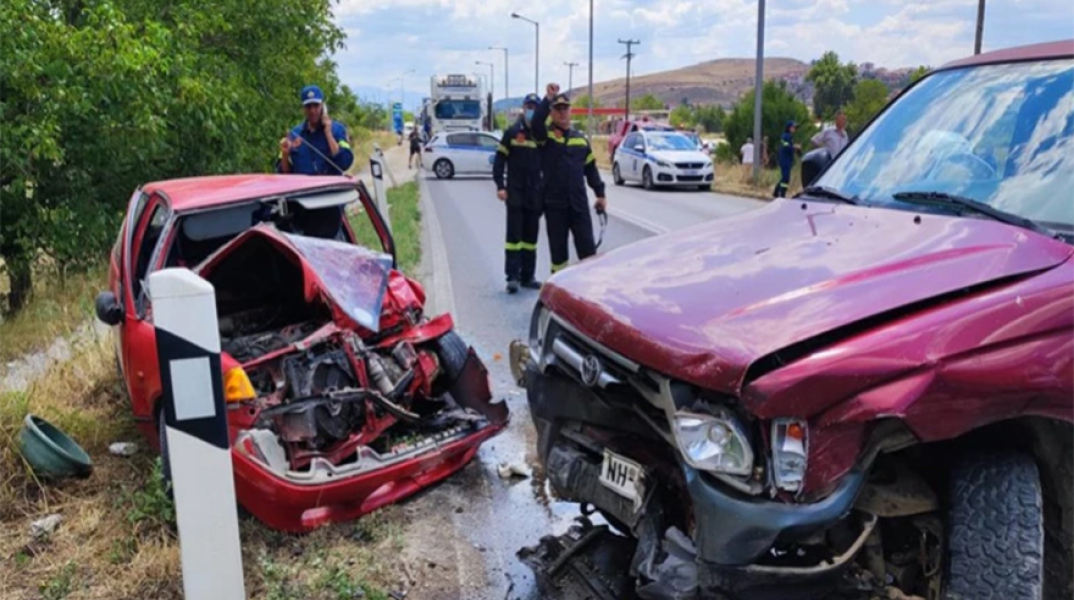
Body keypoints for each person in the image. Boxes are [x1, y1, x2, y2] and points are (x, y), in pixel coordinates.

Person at [531, 83, 607, 275]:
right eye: (558, 109)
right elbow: (536, 123)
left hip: (578, 205)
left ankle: (587, 294)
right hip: (555, 206)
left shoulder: (580, 139)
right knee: (559, 258)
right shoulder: (545, 137)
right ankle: (559, 295)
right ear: (552, 113)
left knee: (588, 254)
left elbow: (591, 169)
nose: (563, 113)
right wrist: (547, 98)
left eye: (565, 109)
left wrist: (600, 194)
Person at [492, 93, 545, 293]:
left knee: (531, 239)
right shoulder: (512, 133)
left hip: (535, 194)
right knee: (514, 238)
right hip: (515, 192)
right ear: (523, 108)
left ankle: (527, 276)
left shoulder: (542, 135)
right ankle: (512, 277)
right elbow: (499, 160)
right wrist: (500, 186)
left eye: (535, 107)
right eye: (529, 106)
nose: (531, 110)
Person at [278, 85, 354, 175]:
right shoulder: (294, 134)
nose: (312, 110)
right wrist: (285, 154)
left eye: (316, 105)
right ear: (303, 109)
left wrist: (328, 134)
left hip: (331, 188)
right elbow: (284, 174)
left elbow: (344, 163)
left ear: (323, 106)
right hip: (305, 188)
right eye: (308, 106)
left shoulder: (338, 130)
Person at [774, 121, 801, 198]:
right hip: (784, 159)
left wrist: (796, 149)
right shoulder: (785, 136)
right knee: (786, 178)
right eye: (793, 127)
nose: (795, 129)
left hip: (788, 159)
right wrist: (795, 147)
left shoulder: (789, 136)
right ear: (789, 128)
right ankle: (782, 194)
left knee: (785, 177)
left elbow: (790, 147)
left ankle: (776, 192)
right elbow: (786, 146)